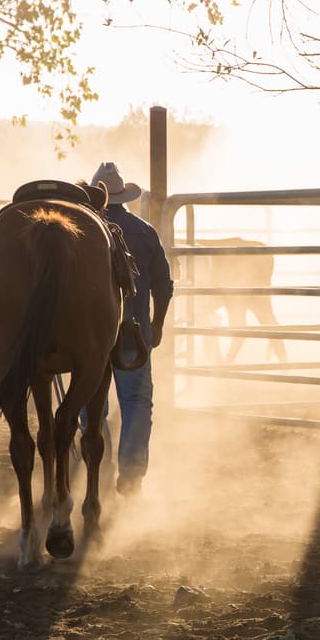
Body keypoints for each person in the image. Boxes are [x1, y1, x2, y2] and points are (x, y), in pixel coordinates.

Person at [92, 161, 174, 495]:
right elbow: (164, 286)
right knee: (137, 401)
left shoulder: (83, 231)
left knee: (90, 402)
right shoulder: (143, 230)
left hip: (92, 335)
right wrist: (157, 324)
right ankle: (131, 476)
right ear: (124, 196)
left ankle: (95, 464)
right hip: (133, 330)